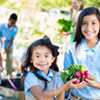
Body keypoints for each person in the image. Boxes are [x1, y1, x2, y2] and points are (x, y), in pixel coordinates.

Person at [21, 35, 86, 100]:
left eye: (46, 56)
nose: (42, 60)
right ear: (31, 59)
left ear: (52, 59)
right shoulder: (31, 76)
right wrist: (64, 87)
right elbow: (40, 96)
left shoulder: (58, 76)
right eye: (37, 56)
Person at [64, 7, 100, 99]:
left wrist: (96, 84)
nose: (89, 28)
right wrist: (75, 80)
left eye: (93, 23)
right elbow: (66, 76)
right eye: (84, 23)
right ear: (80, 25)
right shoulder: (72, 48)